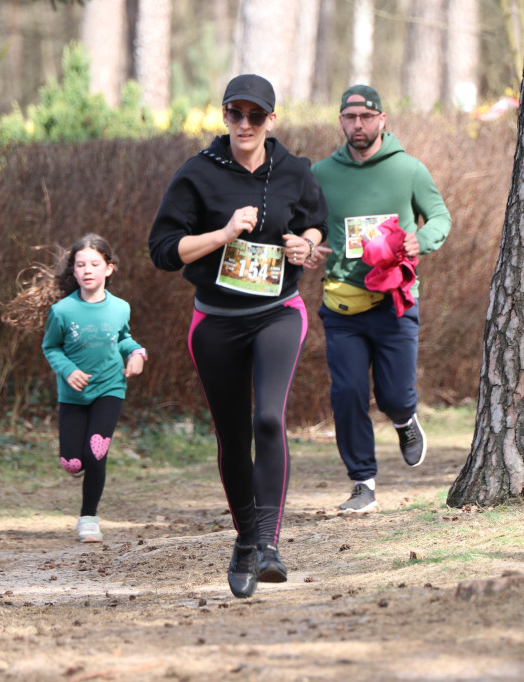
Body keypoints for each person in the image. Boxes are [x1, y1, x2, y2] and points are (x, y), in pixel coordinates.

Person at [149, 74, 328, 598]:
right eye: (235, 113)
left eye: (256, 115)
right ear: (223, 115)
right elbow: (162, 249)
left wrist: (305, 244)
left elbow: (318, 223)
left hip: (277, 312)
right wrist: (222, 234)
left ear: (272, 119)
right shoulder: (197, 174)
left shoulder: (295, 170)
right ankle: (245, 540)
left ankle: (269, 545)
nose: (244, 124)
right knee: (232, 434)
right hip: (216, 321)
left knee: (268, 418)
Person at [310, 84, 451, 514]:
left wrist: (418, 241)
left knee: (393, 396)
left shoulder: (408, 169)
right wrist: (309, 245)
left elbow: (440, 217)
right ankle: (362, 483)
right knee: (348, 393)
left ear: (381, 120)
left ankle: (405, 420)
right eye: (350, 118)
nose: (358, 125)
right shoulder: (320, 175)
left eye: (366, 118)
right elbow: (307, 224)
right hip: (342, 307)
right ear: (341, 122)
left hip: (395, 302)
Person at [2, 233, 146, 543]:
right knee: (72, 462)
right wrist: (68, 371)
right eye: (81, 264)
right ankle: (76, 466)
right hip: (73, 396)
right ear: (73, 271)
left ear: (109, 269)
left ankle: (89, 518)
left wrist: (136, 353)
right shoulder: (63, 311)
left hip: (110, 388)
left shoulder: (120, 307)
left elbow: (123, 338)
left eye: (95, 263)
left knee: (96, 452)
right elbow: (51, 347)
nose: (88, 270)